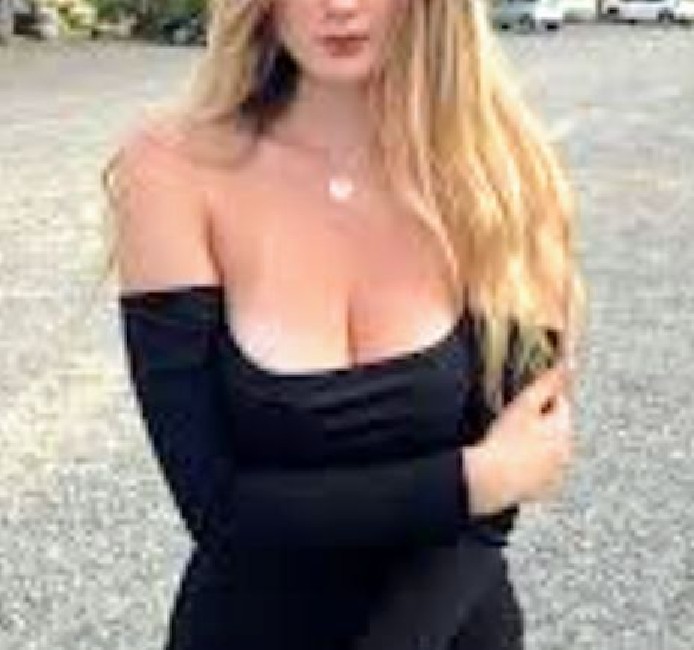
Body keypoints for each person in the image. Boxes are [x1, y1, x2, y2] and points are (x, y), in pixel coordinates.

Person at [100, 0, 588, 648]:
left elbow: (490, 517)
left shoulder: (503, 180)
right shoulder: (171, 170)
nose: (340, 6)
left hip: (447, 628)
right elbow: (217, 509)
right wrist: (473, 478)